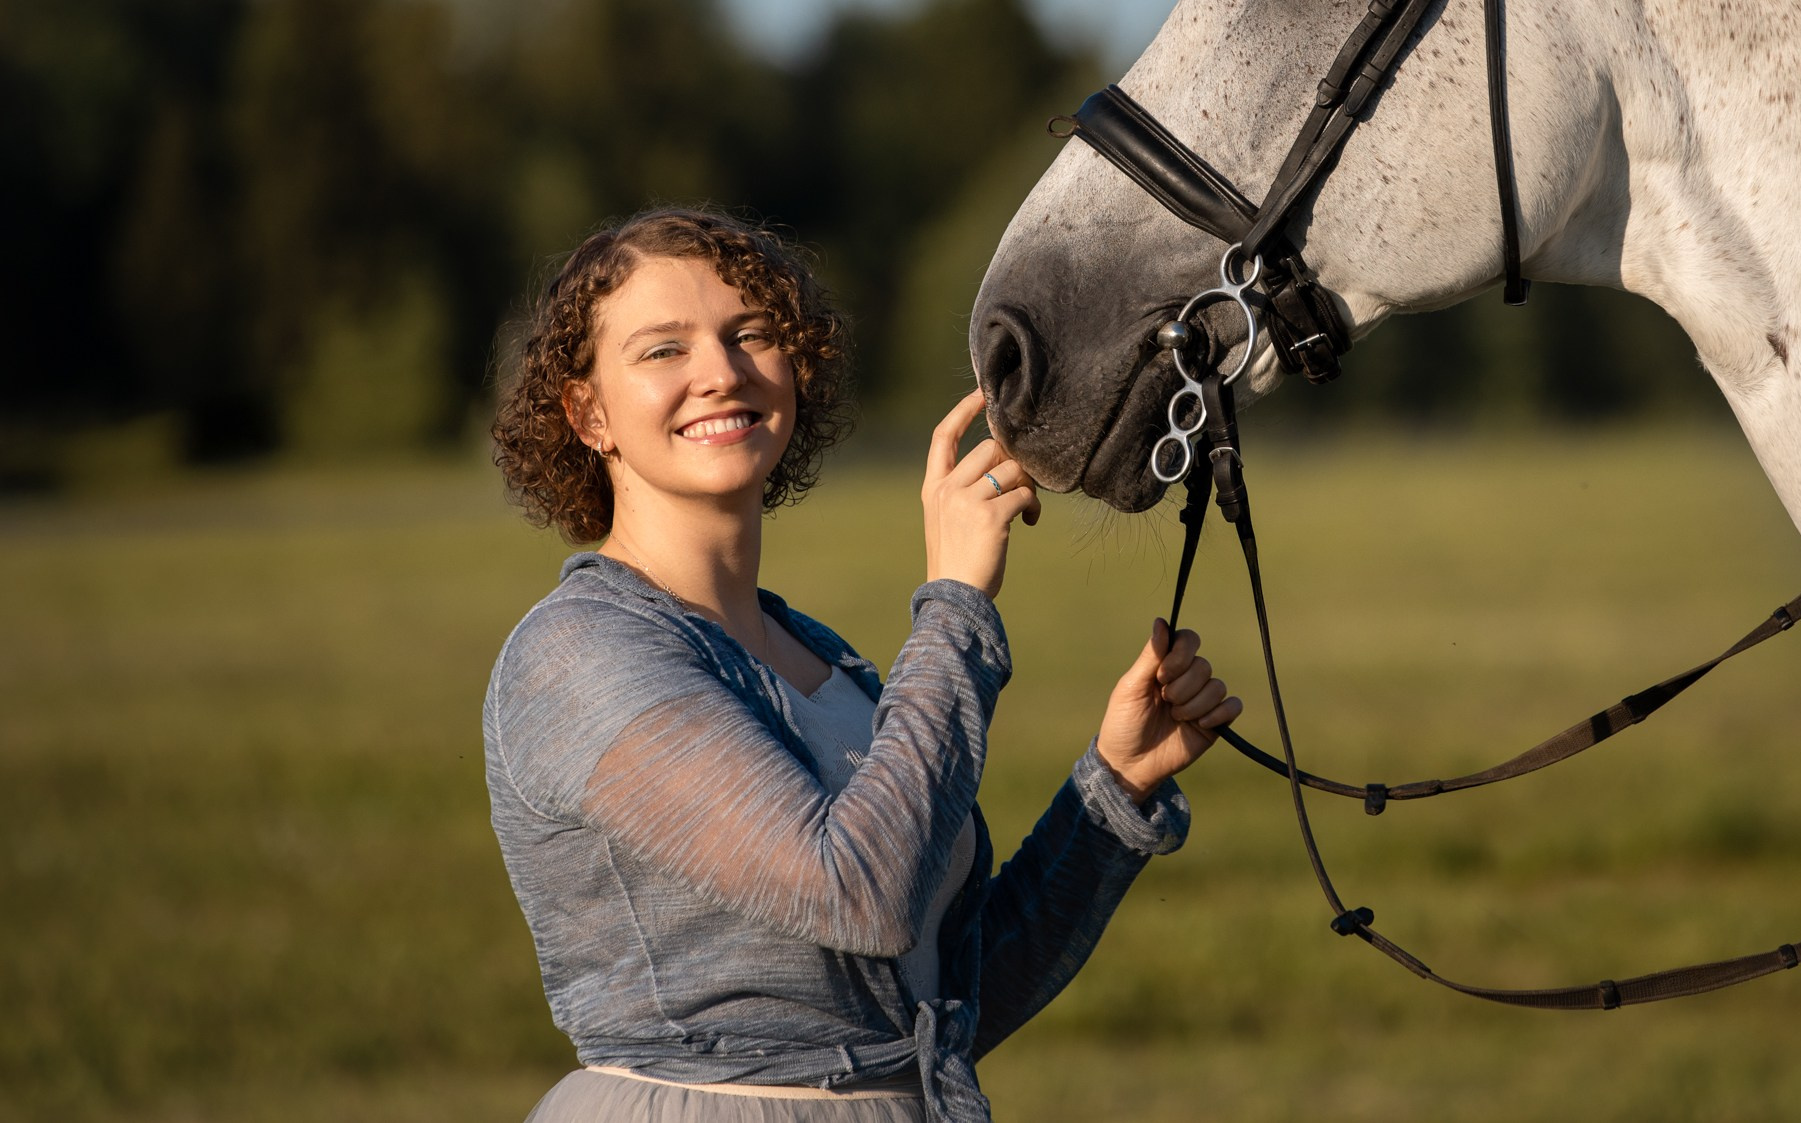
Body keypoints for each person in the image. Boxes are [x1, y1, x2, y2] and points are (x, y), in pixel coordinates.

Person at [483, 208, 1240, 1123]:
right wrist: (957, 600)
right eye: (662, 351)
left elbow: (938, 1006)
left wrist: (1114, 789)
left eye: (750, 334)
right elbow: (861, 895)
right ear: (587, 412)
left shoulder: (820, 657)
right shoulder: (577, 653)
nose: (720, 372)